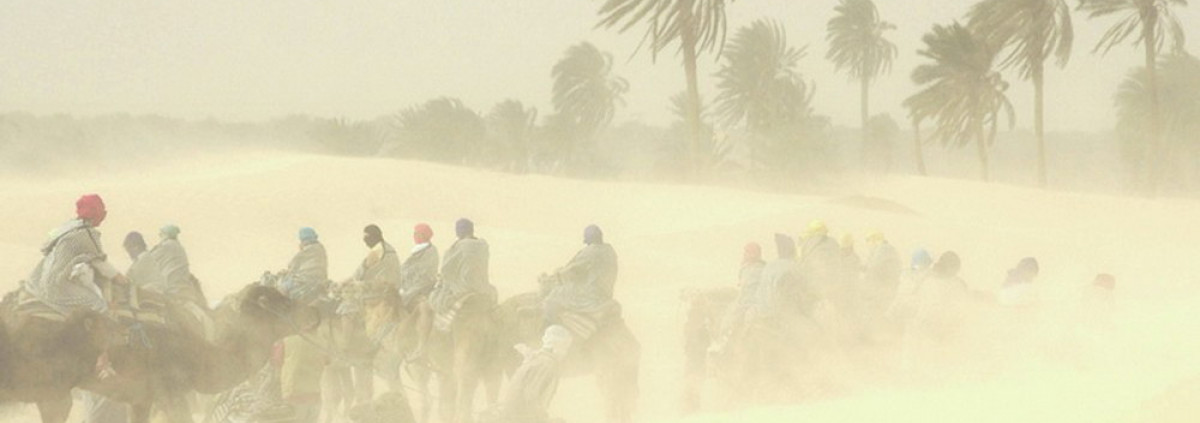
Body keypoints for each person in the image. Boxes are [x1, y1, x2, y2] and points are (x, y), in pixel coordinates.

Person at [23, 194, 126, 316]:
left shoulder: (67, 226)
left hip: (37, 280)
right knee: (98, 304)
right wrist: (121, 278)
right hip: (55, 286)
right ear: (97, 214)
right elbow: (100, 263)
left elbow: (44, 247)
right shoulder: (87, 233)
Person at [412, 218, 494, 360]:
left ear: (458, 231)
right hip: (483, 290)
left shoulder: (457, 248)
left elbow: (447, 271)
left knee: (426, 305)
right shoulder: (482, 246)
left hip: (462, 291)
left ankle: (422, 347)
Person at [542, 225, 619, 341]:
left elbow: (572, 270)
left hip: (590, 294)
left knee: (551, 299)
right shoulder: (609, 250)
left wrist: (553, 276)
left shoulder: (591, 251)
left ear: (588, 238)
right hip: (605, 293)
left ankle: (552, 338)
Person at [482, 325, 573, 423]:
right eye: (565, 348)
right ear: (555, 346)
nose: (565, 353)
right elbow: (531, 396)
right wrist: (543, 419)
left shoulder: (537, 359)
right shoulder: (547, 364)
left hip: (513, 415)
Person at [280, 316, 330, 423]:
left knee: (295, 419)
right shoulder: (323, 342)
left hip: (292, 390)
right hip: (314, 390)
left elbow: (277, 362)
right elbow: (327, 361)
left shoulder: (287, 340)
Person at [142, 224, 205, 307]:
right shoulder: (179, 247)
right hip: (184, 290)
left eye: (161, 234)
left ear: (166, 234)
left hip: (171, 290)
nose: (160, 236)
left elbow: (146, 261)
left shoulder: (165, 247)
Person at [278, 227, 329, 305]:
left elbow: (293, 264)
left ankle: (284, 305)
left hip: (305, 278)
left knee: (283, 287)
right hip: (320, 278)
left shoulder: (307, 250)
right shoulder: (320, 249)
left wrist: (287, 272)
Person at [398, 223, 439, 308]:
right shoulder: (418, 250)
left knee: (403, 300)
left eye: (417, 234)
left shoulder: (431, 251)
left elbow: (425, 272)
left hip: (422, 284)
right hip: (410, 283)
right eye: (414, 234)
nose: (414, 236)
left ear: (424, 236)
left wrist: (408, 273)